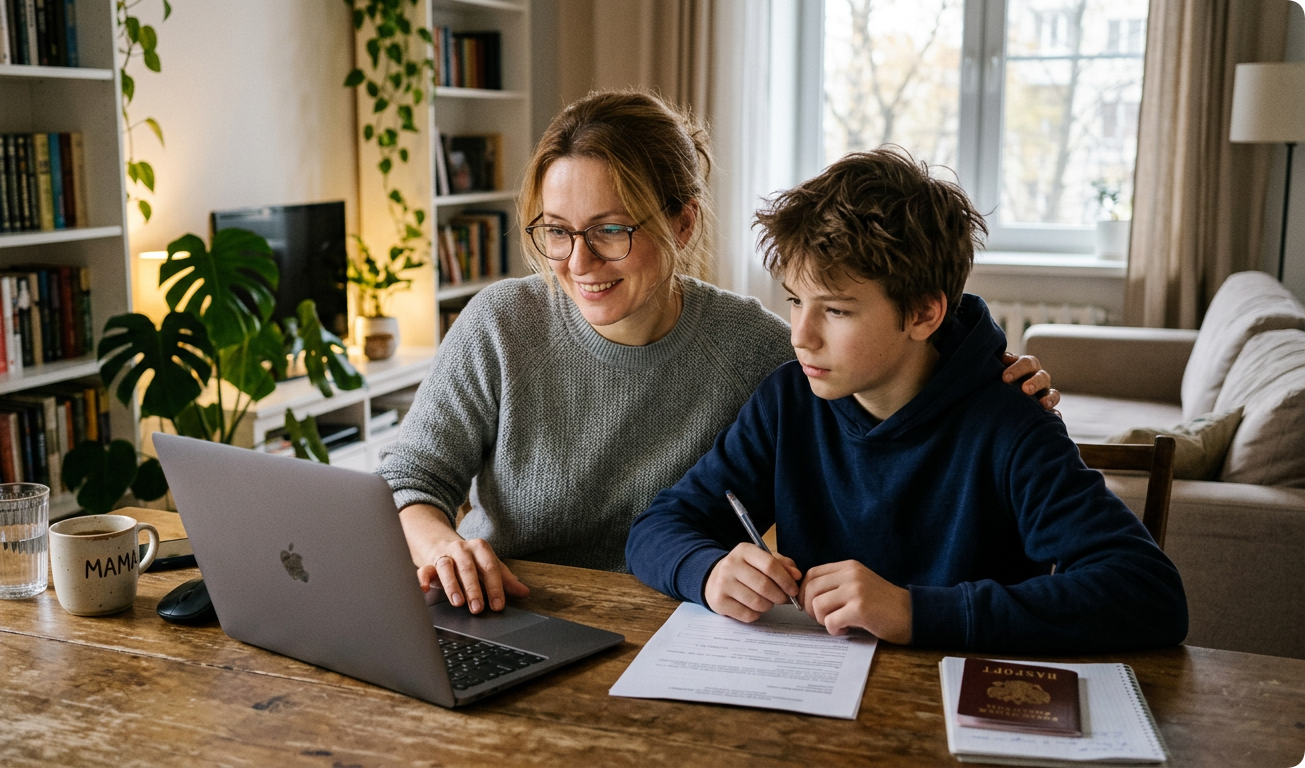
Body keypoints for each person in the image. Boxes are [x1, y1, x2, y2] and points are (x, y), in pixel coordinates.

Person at [376, 91, 1058, 617]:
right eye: (557, 231)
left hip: (673, 627)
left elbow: (888, 372)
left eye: (611, 229)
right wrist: (443, 546)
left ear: (683, 222)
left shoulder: (762, 350)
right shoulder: (501, 321)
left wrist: (979, 374)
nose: (578, 261)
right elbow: (410, 477)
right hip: (504, 609)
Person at [625, 148, 1188, 653]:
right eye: (796, 300)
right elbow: (657, 527)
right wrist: (707, 571)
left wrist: (914, 612)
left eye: (837, 310)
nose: (800, 334)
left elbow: (1147, 593)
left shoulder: (1011, 422)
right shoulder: (788, 401)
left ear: (923, 313)